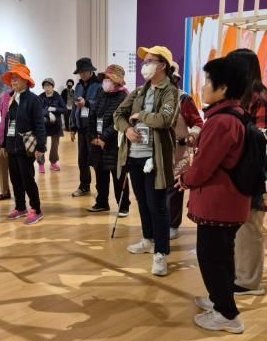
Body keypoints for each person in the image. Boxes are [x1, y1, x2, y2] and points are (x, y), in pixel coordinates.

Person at [176, 55, 250, 334]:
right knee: (222, 255)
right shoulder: (234, 115)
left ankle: (227, 315)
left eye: (208, 81)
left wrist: (185, 179)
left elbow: (203, 167)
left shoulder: (221, 122)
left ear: (223, 87)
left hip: (219, 202)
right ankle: (219, 298)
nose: (204, 86)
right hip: (229, 201)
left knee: (212, 258)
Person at [114, 46, 179, 276]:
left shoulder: (170, 91)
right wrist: (127, 129)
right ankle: (147, 239)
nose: (145, 65)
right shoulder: (140, 91)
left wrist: (140, 115)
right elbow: (118, 114)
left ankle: (161, 252)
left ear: (162, 65)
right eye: (145, 61)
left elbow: (164, 119)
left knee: (157, 205)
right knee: (142, 201)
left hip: (155, 158)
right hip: (134, 156)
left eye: (150, 61)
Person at [227, 48, 267, 296]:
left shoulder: (260, 98)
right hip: (239, 171)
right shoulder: (242, 96)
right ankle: (240, 275)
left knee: (250, 227)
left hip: (253, 173)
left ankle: (249, 282)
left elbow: (260, 140)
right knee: (239, 227)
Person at [0, 64, 46, 225]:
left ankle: (36, 209)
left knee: (27, 179)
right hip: (12, 145)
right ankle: (20, 207)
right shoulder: (12, 98)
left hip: (26, 146)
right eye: (12, 78)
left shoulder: (33, 99)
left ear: (26, 80)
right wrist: (5, 145)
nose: (13, 81)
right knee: (15, 178)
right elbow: (7, 123)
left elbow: (40, 124)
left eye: (16, 78)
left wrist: (41, 147)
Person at [87, 64, 131, 215]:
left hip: (114, 144)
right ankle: (102, 202)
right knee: (100, 175)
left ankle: (123, 206)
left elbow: (120, 121)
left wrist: (104, 137)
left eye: (108, 78)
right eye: (105, 78)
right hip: (97, 142)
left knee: (118, 176)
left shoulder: (123, 96)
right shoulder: (101, 93)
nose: (105, 81)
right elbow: (92, 114)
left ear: (117, 80)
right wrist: (92, 136)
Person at [167, 63, 203, 239]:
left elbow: (198, 123)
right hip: (154, 151)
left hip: (178, 150)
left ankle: (172, 225)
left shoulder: (183, 99)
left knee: (174, 189)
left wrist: (192, 136)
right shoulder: (150, 97)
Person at [70, 57, 102, 197]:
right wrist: (72, 127)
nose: (82, 74)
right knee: (82, 159)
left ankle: (101, 189)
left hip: (93, 129)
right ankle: (84, 186)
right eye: (80, 72)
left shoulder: (99, 85)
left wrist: (87, 103)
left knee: (95, 159)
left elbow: (101, 104)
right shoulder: (78, 86)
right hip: (81, 128)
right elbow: (74, 107)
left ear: (90, 71)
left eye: (84, 71)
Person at [38, 78, 67, 173]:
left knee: (55, 145)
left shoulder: (58, 96)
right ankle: (41, 164)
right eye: (45, 86)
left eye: (49, 85)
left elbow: (64, 110)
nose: (47, 88)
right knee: (41, 144)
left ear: (52, 86)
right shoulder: (40, 97)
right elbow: (37, 110)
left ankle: (53, 162)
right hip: (43, 124)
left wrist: (55, 109)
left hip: (56, 124)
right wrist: (48, 112)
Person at [0, 89, 13, 201]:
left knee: (18, 168)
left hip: (16, 140)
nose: (14, 82)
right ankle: (5, 191)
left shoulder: (29, 98)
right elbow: (3, 115)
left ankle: (21, 194)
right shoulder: (6, 95)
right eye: (12, 80)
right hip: (2, 137)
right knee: (1, 165)